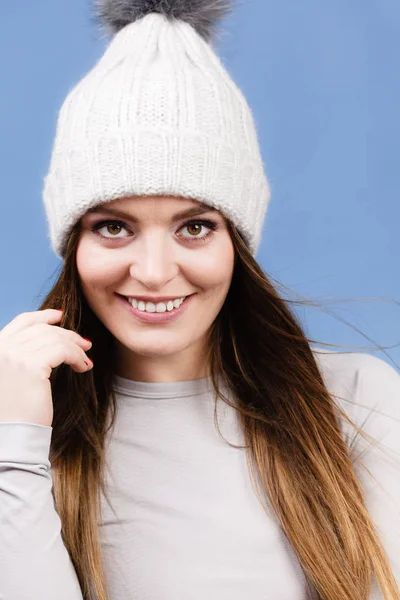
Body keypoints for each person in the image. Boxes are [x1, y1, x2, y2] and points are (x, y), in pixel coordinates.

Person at [0, 1, 399, 599]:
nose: (156, 272)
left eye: (195, 226)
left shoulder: (355, 401)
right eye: (113, 226)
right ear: (72, 242)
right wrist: (14, 447)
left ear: (238, 241)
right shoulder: (22, 430)